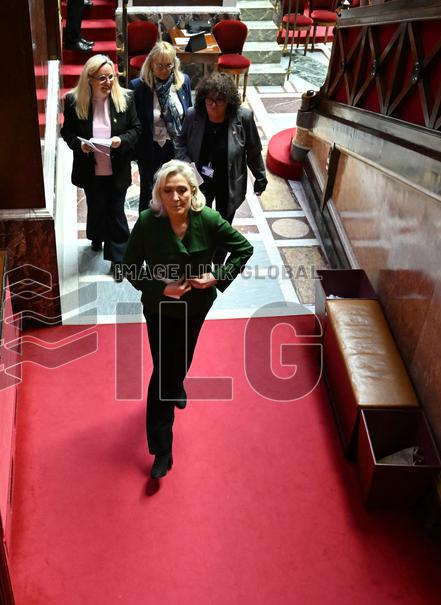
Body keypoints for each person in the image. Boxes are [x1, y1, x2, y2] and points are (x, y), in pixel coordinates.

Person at [121, 160, 254, 479]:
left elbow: (243, 249)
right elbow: (128, 267)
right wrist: (160, 287)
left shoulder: (207, 219)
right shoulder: (147, 223)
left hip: (196, 306)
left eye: (182, 190)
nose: (176, 197)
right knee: (163, 373)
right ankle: (162, 448)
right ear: (158, 194)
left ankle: (178, 382)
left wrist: (217, 276)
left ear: (193, 192)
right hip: (159, 308)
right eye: (168, 191)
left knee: (182, 357)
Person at [61, 55, 141, 277]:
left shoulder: (125, 99)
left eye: (111, 77)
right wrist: (79, 145)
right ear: (89, 79)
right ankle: (96, 236)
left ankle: (118, 260)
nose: (108, 82)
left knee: (116, 211)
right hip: (90, 169)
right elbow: (67, 132)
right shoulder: (73, 101)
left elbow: (136, 129)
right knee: (96, 207)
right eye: (102, 78)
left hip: (117, 168)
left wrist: (121, 141)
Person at [175, 72, 267, 228]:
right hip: (199, 179)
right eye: (209, 100)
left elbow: (253, 150)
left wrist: (260, 178)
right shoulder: (193, 115)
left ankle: (218, 253)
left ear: (229, 102)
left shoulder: (244, 118)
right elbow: (180, 143)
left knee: (223, 226)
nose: (213, 105)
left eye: (219, 101)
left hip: (228, 181)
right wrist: (188, 166)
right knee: (199, 222)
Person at [129, 42, 193, 212]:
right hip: (150, 149)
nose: (164, 70)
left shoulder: (183, 82)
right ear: (151, 64)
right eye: (160, 66)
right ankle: (147, 231)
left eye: (168, 65)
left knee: (175, 189)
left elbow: (189, 116)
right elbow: (134, 123)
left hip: (175, 147)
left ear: (174, 64)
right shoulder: (138, 87)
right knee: (149, 193)